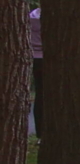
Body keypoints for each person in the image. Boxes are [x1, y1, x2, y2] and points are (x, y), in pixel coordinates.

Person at [29, 7, 43, 139]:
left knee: (40, 94)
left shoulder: (31, 16)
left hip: (35, 57)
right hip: (46, 57)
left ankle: (40, 133)